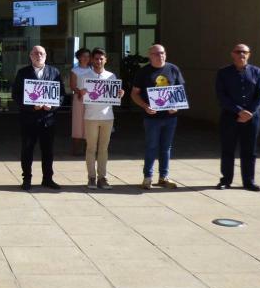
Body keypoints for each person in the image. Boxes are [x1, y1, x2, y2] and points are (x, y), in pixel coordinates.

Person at [131, 44, 185, 189]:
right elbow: (134, 94)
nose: (160, 56)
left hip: (170, 117)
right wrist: (145, 106)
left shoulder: (173, 69)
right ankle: (147, 177)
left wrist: (177, 106)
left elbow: (180, 91)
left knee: (166, 148)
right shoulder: (143, 72)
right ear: (150, 56)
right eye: (156, 54)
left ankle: (163, 177)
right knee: (151, 146)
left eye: (162, 53)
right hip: (151, 118)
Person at [11, 45, 65, 191]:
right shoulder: (23, 72)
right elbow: (16, 95)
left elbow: (61, 95)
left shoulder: (54, 72)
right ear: (30, 56)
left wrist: (52, 106)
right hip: (28, 119)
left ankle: (47, 179)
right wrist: (31, 106)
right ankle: (26, 179)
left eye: (41, 53)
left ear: (45, 56)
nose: (38, 56)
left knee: (48, 151)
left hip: (48, 119)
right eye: (35, 53)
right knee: (27, 150)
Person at [216, 44, 260, 191]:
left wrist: (250, 112)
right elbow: (221, 96)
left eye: (244, 52)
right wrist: (239, 111)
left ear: (249, 54)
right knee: (228, 149)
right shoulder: (223, 73)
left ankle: (249, 182)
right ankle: (226, 180)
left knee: (249, 150)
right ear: (232, 54)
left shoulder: (257, 72)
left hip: (252, 117)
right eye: (238, 52)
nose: (241, 54)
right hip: (230, 116)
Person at [77, 48, 124, 190]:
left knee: (104, 148)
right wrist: (81, 93)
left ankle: (102, 177)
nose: (98, 61)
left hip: (107, 117)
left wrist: (120, 94)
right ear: (92, 60)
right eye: (96, 58)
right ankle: (91, 177)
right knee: (91, 148)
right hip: (91, 117)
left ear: (105, 60)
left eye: (101, 59)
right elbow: (80, 97)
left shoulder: (111, 76)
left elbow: (115, 95)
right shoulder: (85, 76)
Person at [70, 48, 92, 156]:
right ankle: (75, 149)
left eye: (88, 56)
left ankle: (87, 150)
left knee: (89, 122)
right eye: (83, 56)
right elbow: (72, 86)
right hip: (79, 98)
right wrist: (79, 92)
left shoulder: (93, 69)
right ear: (79, 57)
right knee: (78, 123)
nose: (86, 58)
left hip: (91, 100)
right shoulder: (75, 70)